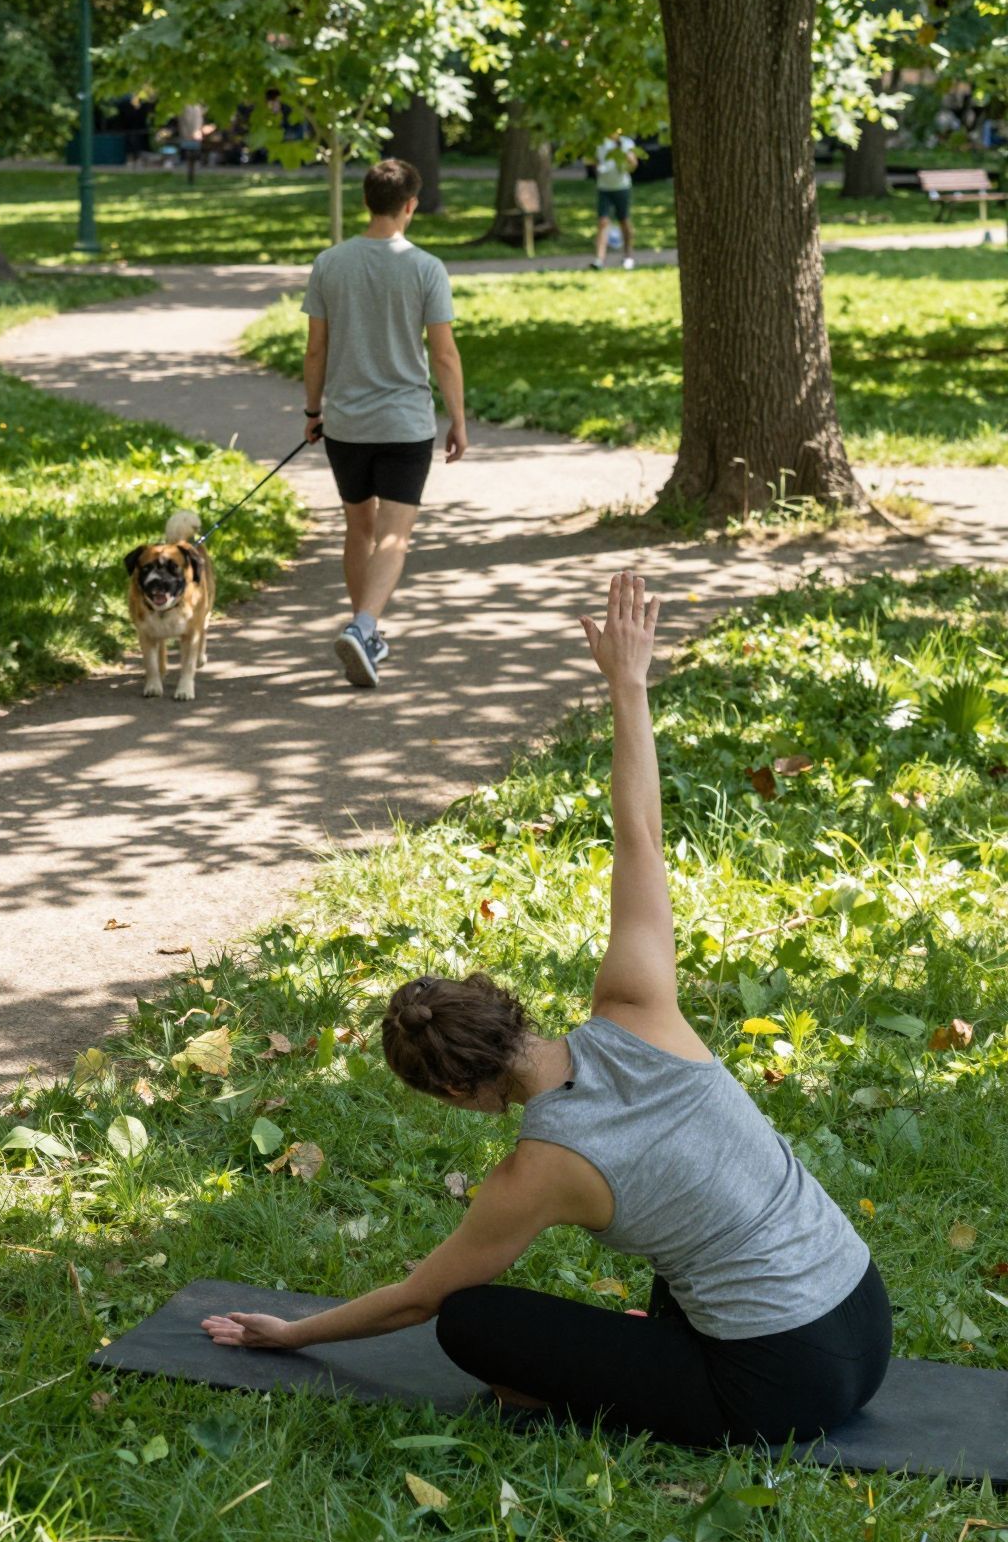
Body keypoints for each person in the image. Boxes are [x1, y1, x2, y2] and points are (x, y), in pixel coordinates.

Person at [203, 572, 892, 1449]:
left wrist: (291, 1333)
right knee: (693, 1213)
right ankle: (669, 1352)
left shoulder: (537, 1170)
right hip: (865, 1320)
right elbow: (639, 830)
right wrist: (627, 683)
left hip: (776, 1391)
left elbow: (422, 1300)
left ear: (457, 1096)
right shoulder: (638, 1007)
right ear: (506, 1007)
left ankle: (605, 1390)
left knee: (474, 1324)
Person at [301, 156, 468, 691]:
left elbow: (315, 348)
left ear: (367, 202)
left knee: (359, 528)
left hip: (346, 424)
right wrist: (458, 419)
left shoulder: (330, 263)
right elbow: (444, 355)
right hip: (405, 424)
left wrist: (312, 412)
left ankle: (363, 635)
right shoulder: (425, 267)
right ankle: (365, 626)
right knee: (394, 537)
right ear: (411, 206)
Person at [591, 131, 639, 270]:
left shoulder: (626, 143)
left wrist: (629, 160)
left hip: (622, 187)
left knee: (624, 220)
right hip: (604, 188)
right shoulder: (598, 143)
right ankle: (599, 259)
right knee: (603, 222)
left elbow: (633, 165)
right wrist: (598, 169)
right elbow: (593, 162)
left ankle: (628, 256)